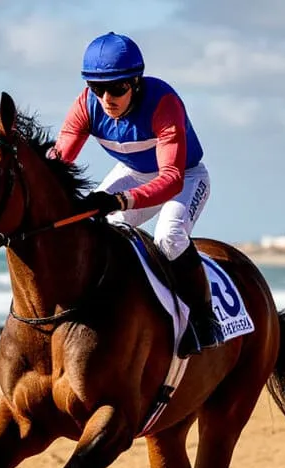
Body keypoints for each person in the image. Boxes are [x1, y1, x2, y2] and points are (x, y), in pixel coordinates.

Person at [47, 32, 220, 357]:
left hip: (185, 176)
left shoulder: (163, 102)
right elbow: (58, 162)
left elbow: (171, 179)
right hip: (134, 173)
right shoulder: (86, 106)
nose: (106, 98)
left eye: (117, 88)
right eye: (97, 88)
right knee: (92, 228)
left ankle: (203, 317)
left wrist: (120, 200)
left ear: (136, 83)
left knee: (169, 237)